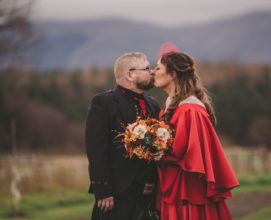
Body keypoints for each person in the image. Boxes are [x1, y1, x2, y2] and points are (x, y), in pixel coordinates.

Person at [153, 51, 239, 220]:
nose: (153, 72)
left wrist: (151, 151)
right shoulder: (171, 106)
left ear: (172, 74)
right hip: (172, 185)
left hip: (187, 189)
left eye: (157, 68)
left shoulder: (190, 110)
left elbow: (185, 151)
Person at [85, 52, 161, 220]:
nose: (152, 72)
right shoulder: (104, 103)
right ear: (130, 74)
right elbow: (96, 150)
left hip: (148, 196)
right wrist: (103, 191)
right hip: (117, 196)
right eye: (147, 68)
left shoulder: (153, 104)